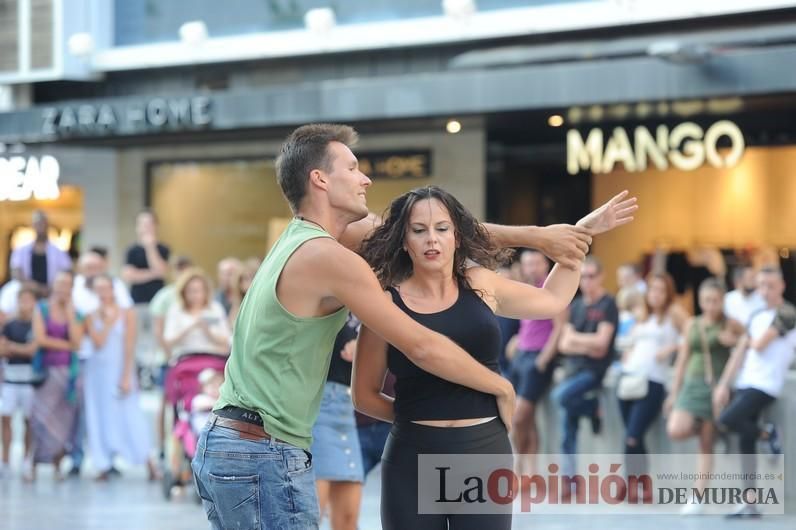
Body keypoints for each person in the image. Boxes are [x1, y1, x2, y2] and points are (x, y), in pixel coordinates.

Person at [191, 123, 622, 530]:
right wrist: (499, 388)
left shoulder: (307, 240)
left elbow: (436, 228)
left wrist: (548, 237)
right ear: (320, 179)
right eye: (353, 168)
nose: (366, 180)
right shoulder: (329, 256)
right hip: (261, 449)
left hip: (245, 445)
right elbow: (421, 346)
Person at [353, 186, 635, 529]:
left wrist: (581, 233)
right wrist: (414, 416)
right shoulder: (385, 303)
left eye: (442, 229)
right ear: (403, 240)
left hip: (482, 450)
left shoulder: (480, 283)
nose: (432, 240)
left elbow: (553, 299)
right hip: (412, 453)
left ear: (458, 237)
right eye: (418, 230)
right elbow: (363, 395)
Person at [714, 266, 796, 518]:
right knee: (745, 443)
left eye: (771, 285)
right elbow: (741, 351)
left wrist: (743, 340)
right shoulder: (757, 315)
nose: (765, 291)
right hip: (746, 381)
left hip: (766, 385)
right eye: (761, 285)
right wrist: (724, 384)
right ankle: (750, 502)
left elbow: (759, 344)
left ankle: (766, 433)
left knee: (727, 420)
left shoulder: (787, 313)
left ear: (781, 286)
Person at [664, 277, 745, 515]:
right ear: (700, 301)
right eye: (706, 300)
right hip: (692, 384)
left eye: (715, 301)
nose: (711, 305)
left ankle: (697, 496)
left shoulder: (731, 324)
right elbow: (682, 360)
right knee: (676, 429)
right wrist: (673, 392)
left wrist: (732, 342)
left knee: (705, 445)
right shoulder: (693, 324)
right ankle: (710, 427)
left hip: (715, 387)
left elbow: (747, 344)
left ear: (723, 301)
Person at [83, 274, 157, 481]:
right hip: (97, 373)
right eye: (99, 289)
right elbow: (97, 342)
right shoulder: (91, 314)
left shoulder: (127, 313)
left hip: (120, 369)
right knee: (99, 416)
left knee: (130, 414)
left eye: (107, 288)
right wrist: (106, 321)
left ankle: (148, 460)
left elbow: (129, 343)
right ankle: (103, 463)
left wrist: (126, 374)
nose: (104, 293)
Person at [554, 256, 619, 489]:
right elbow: (563, 345)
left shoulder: (608, 304)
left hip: (593, 372)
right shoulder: (577, 305)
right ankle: (570, 481)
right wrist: (586, 343)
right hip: (573, 369)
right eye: (583, 276)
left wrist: (576, 341)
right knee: (567, 430)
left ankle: (593, 408)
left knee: (559, 397)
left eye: (591, 276)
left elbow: (602, 346)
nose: (587, 281)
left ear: (601, 277)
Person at [616, 273, 681, 499]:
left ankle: (630, 482)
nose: (655, 295)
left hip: (653, 381)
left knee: (633, 436)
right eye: (652, 289)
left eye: (661, 290)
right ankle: (643, 483)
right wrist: (627, 353)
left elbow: (691, 336)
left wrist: (671, 349)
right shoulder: (641, 316)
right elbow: (627, 340)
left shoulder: (673, 315)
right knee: (633, 435)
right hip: (629, 378)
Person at [508, 249, 566, 476]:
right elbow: (525, 324)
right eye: (528, 264)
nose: (532, 268)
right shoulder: (522, 289)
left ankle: (518, 466)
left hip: (538, 358)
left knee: (519, 417)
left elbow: (561, 326)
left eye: (536, 263)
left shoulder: (551, 290)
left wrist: (544, 359)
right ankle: (530, 473)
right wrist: (517, 342)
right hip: (521, 356)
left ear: (545, 265)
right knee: (526, 420)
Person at [29, 271, 83, 481]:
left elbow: (78, 341)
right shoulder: (41, 308)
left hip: (68, 374)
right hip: (46, 372)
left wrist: (69, 314)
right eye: (60, 284)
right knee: (39, 419)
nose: (63, 289)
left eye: (67, 285)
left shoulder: (76, 312)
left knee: (64, 421)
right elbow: (41, 339)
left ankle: (57, 465)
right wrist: (67, 345)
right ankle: (33, 463)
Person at [312, 313, 364, 530]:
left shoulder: (373, 298)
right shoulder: (328, 295)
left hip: (346, 408)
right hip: (319, 404)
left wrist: (365, 345)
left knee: (348, 519)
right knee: (312, 515)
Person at [122, 210, 171, 389]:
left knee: (154, 339)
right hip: (138, 302)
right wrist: (153, 273)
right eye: (142, 223)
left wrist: (150, 247)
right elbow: (129, 275)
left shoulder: (162, 249)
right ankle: (140, 374)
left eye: (149, 223)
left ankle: (152, 375)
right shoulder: (132, 250)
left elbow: (162, 269)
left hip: (157, 303)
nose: (146, 227)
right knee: (138, 339)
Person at [0, 286, 38, 480]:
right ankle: (5, 460)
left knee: (28, 421)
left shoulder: (37, 324)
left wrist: (13, 347)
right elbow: (1, 349)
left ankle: (26, 460)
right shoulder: (9, 324)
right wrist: (20, 348)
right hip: (11, 379)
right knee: (5, 418)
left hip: (30, 380)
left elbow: (34, 349)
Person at [9, 210, 72, 297]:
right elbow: (16, 272)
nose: (41, 226)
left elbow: (67, 272)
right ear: (33, 225)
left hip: (52, 294)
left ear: (48, 225)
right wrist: (33, 286)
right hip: (28, 295)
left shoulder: (59, 252)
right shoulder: (21, 251)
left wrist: (53, 287)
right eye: (37, 223)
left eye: (43, 223)